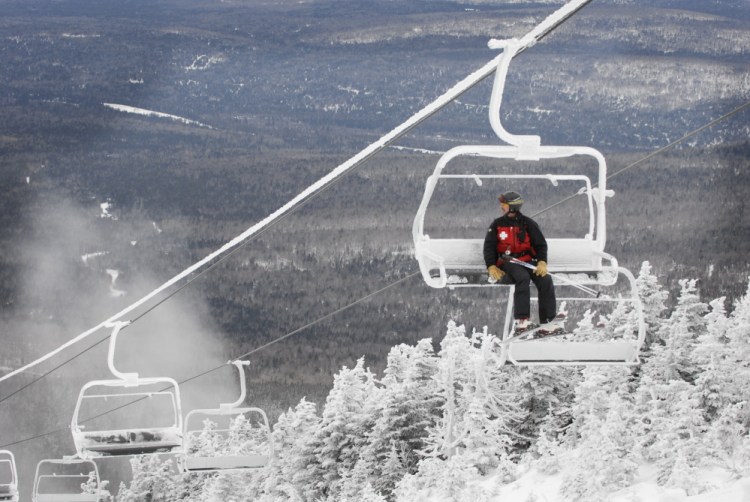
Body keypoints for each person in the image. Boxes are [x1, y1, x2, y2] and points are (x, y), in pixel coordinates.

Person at [483, 191, 557, 335]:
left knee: (545, 279)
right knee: (522, 278)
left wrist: (542, 262)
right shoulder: (497, 224)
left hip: (528, 261)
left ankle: (548, 322)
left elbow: (540, 244)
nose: (501, 208)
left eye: (503, 205)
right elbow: (489, 246)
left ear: (512, 207)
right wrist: (491, 265)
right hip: (508, 261)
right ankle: (522, 321)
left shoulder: (528, 223)